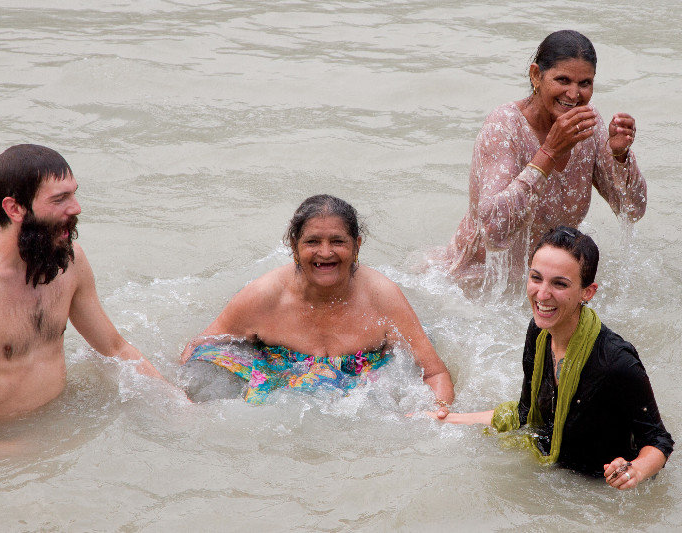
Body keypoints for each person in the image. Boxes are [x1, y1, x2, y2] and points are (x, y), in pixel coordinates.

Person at [0, 144, 166, 443]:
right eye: (60, 199)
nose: (76, 207)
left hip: (61, 424)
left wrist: (173, 400)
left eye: (74, 193)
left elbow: (115, 348)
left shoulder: (70, 262)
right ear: (14, 209)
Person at [432, 227, 673, 489]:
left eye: (559, 284)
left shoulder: (616, 362)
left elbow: (659, 441)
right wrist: (448, 419)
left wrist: (634, 471)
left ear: (587, 292)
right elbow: (526, 415)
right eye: (536, 278)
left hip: (598, 491)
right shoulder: (538, 333)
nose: (542, 294)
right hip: (554, 473)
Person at [181, 194, 454, 411]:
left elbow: (434, 373)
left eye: (338, 241)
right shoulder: (264, 296)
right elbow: (200, 348)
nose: (325, 253)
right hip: (277, 372)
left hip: (365, 380)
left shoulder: (383, 297)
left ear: (357, 245)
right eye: (313, 242)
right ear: (294, 246)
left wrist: (438, 411)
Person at [437, 30, 646, 289]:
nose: (573, 94)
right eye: (563, 80)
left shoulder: (587, 126)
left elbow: (633, 210)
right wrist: (548, 153)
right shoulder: (504, 127)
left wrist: (620, 156)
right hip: (474, 285)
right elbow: (493, 231)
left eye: (585, 83)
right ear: (536, 75)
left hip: (545, 285)